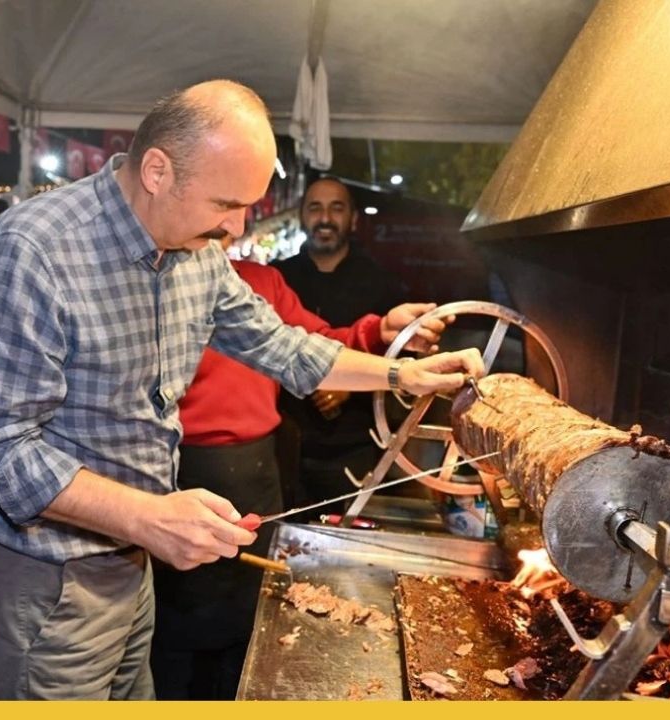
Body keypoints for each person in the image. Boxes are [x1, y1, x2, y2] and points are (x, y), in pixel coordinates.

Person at [0, 79, 484, 700]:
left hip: (131, 560)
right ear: (157, 171)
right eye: (226, 204)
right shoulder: (32, 250)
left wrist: (400, 374)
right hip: (48, 575)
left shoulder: (195, 251)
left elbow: (280, 346)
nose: (236, 228)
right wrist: (149, 515)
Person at [152, 240, 449, 699]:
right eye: (224, 205)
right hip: (183, 469)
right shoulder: (162, 277)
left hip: (256, 470)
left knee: (250, 614)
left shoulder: (260, 280)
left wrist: (383, 335)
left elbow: (305, 346)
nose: (233, 224)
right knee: (179, 627)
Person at [273, 177, 409, 509]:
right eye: (315, 208)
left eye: (337, 208)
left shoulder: (383, 285)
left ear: (353, 219)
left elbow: (400, 366)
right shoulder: (278, 279)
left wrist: (350, 383)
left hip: (356, 445)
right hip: (284, 444)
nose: (325, 218)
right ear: (302, 216)